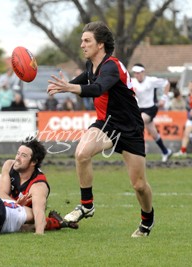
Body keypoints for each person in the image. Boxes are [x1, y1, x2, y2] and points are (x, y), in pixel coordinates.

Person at [47, 21, 154, 237]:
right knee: (81, 153)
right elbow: (87, 78)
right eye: (82, 40)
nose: (82, 45)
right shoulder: (91, 65)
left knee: (139, 185)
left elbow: (98, 88)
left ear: (100, 45)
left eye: (87, 41)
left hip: (130, 128)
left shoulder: (111, 66)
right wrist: (64, 85)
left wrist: (70, 88)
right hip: (106, 124)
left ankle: (147, 220)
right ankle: (87, 205)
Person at [0, 138, 74, 234]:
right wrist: (16, 204)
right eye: (18, 153)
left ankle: (54, 222)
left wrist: (38, 234)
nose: (17, 158)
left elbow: (38, 212)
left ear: (33, 162)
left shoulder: (38, 185)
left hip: (28, 211)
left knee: (22, 227)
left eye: (23, 156)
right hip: (16, 200)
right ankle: (14, 203)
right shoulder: (9, 165)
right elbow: (0, 195)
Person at [131, 63, 173, 162]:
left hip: (150, 108)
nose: (137, 75)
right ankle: (166, 151)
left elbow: (167, 83)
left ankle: (141, 148)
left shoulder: (151, 80)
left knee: (140, 121)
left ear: (143, 72)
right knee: (153, 133)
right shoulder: (132, 82)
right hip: (139, 108)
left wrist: (164, 98)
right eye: (135, 73)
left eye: (139, 73)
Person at [174, 81, 192, 157]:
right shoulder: (188, 96)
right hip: (190, 119)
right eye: (189, 85)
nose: (189, 86)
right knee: (186, 134)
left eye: (190, 85)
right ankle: (183, 151)